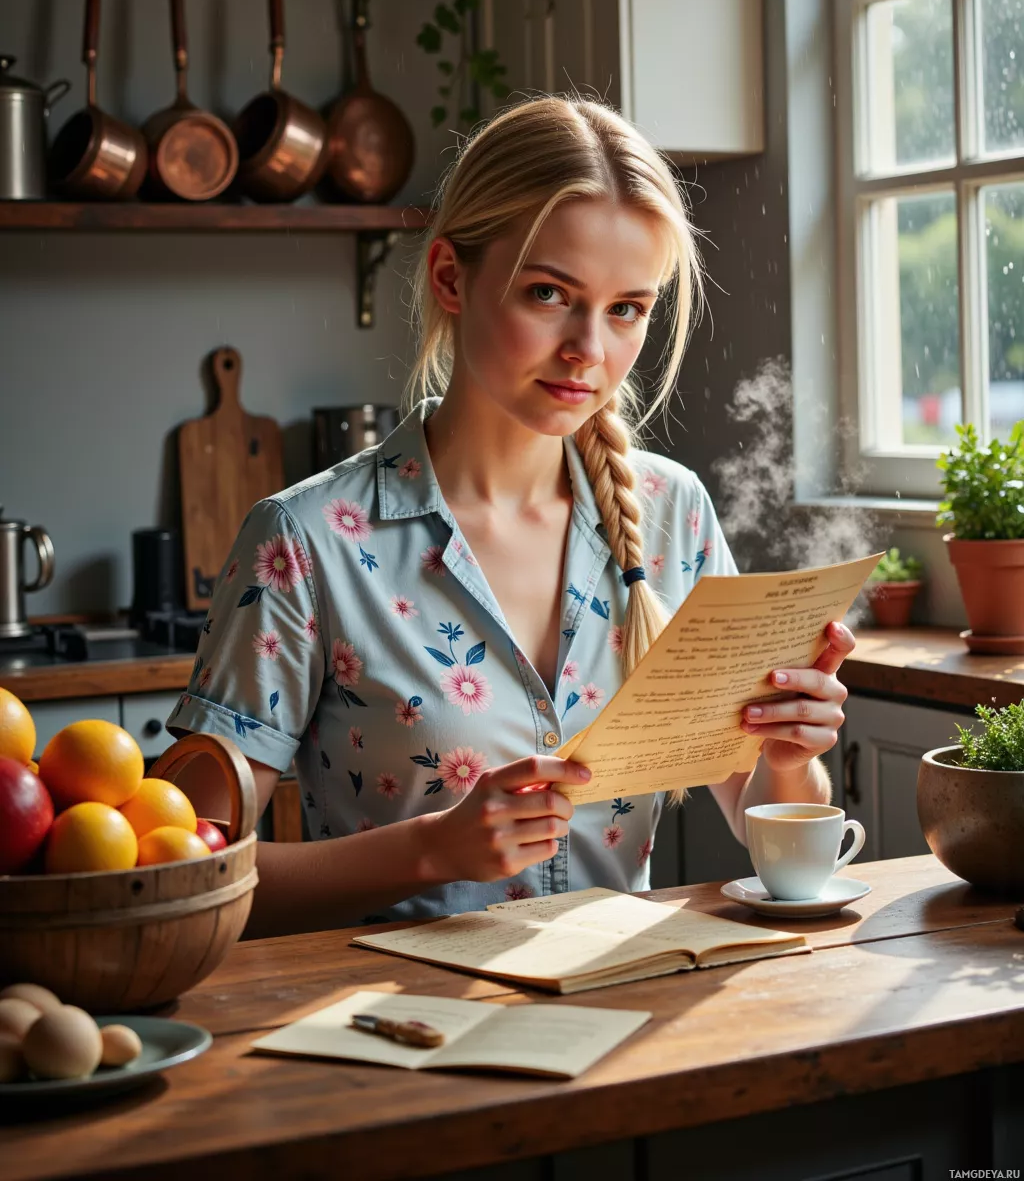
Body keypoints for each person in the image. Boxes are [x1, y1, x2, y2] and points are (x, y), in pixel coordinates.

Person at [168, 96, 854, 938]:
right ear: (452, 278)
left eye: (627, 308)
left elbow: (765, 833)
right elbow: (182, 870)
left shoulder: (674, 515)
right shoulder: (305, 543)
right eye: (548, 293)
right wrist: (431, 849)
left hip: (622, 1018)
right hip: (390, 1033)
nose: (589, 351)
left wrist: (788, 762)